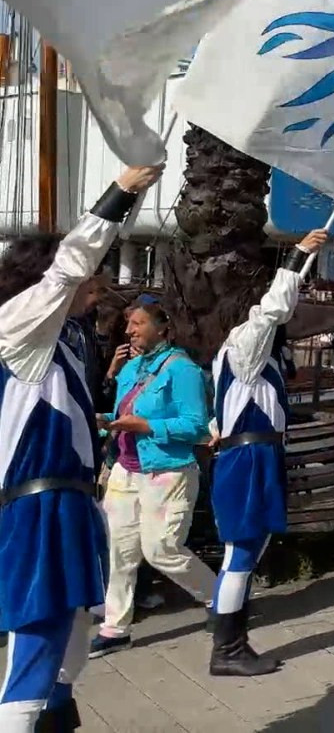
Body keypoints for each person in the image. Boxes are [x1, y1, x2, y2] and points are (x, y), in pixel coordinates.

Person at [0, 166, 160, 732]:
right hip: (36, 506)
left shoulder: (64, 336)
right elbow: (69, 267)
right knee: (37, 641)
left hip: (68, 501)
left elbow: (78, 269)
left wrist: (134, 201)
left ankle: (55, 722)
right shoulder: (18, 329)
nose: (95, 286)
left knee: (71, 638)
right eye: (87, 280)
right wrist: (119, 191)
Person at [201, 229, 327, 676]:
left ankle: (229, 633)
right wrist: (298, 257)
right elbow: (273, 309)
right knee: (243, 550)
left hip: (253, 456)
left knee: (248, 550)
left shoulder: (251, 359)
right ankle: (227, 647)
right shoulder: (246, 348)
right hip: (249, 460)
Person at [90, 297, 216, 659]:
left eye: (138, 323)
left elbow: (196, 426)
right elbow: (121, 414)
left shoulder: (183, 370)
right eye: (129, 324)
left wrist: (147, 426)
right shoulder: (130, 369)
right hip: (125, 470)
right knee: (119, 551)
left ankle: (221, 598)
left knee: (161, 549)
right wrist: (105, 423)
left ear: (162, 327)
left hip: (168, 471)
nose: (129, 330)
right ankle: (115, 628)